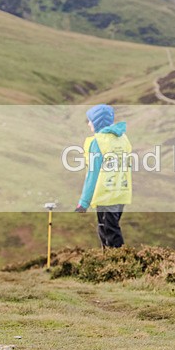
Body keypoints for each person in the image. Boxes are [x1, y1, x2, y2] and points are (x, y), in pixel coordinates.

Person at [75, 104, 132, 248]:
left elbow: (92, 174)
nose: (88, 124)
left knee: (109, 233)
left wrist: (83, 202)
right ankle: (112, 264)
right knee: (110, 229)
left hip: (107, 195)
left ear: (98, 122)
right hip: (121, 193)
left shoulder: (98, 142)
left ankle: (120, 264)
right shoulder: (123, 139)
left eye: (90, 121)